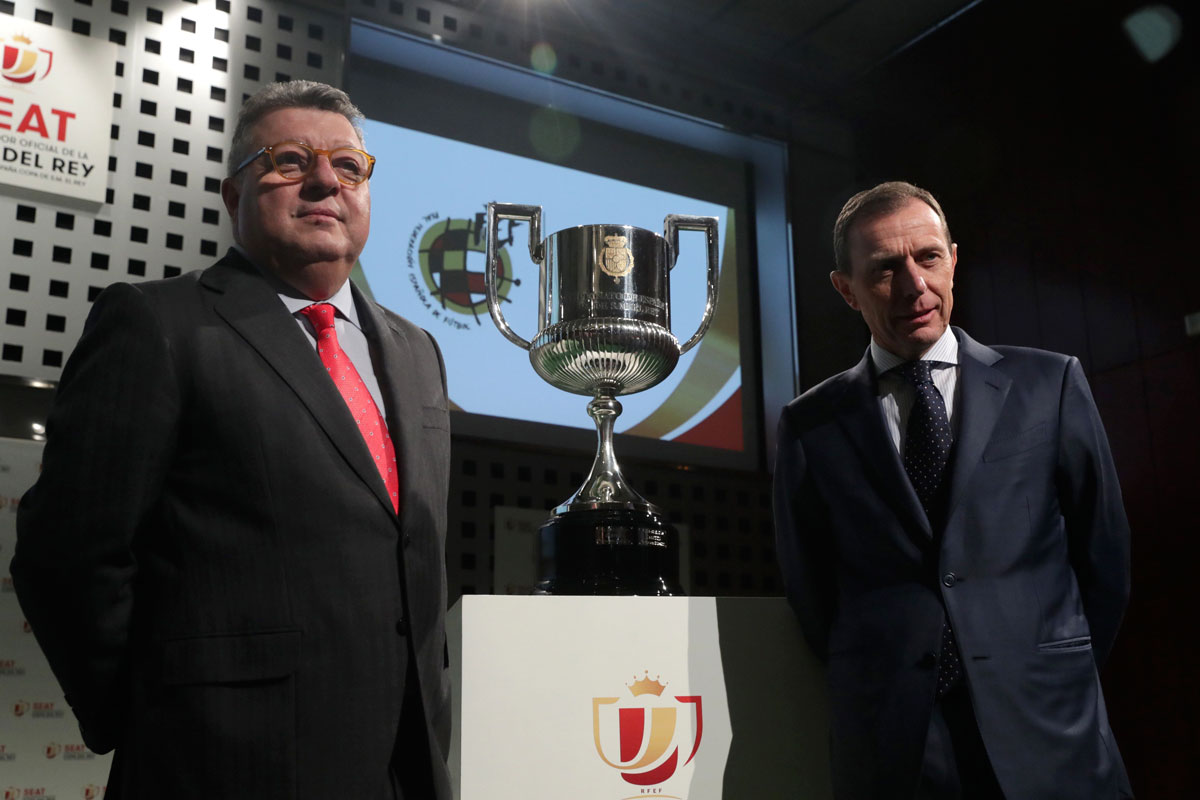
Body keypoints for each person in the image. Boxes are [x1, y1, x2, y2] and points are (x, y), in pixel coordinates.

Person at [12, 81, 452, 799]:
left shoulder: (416, 351)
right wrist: (154, 710)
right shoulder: (156, 324)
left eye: (348, 166)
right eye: (288, 160)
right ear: (232, 196)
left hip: (400, 768)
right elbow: (68, 550)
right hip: (217, 766)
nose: (323, 180)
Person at [773, 181, 1132, 799]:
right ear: (846, 290)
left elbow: (1105, 561)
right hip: (897, 751)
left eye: (929, 257)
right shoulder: (811, 427)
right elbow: (814, 598)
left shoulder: (1052, 384)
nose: (914, 286)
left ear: (954, 259)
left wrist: (1044, 672)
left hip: (1052, 734)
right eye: (885, 268)